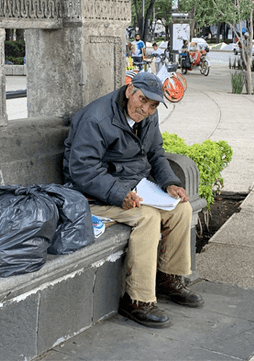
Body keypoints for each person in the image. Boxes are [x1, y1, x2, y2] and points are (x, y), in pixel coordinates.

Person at [62, 73, 204, 329]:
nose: (146, 108)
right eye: (143, 100)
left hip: (134, 185)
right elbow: (82, 170)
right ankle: (136, 300)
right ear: (130, 91)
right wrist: (118, 194)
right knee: (147, 218)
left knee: (181, 208)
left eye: (153, 105)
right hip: (92, 194)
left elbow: (156, 153)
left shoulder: (148, 115)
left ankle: (168, 278)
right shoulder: (97, 117)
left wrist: (171, 183)